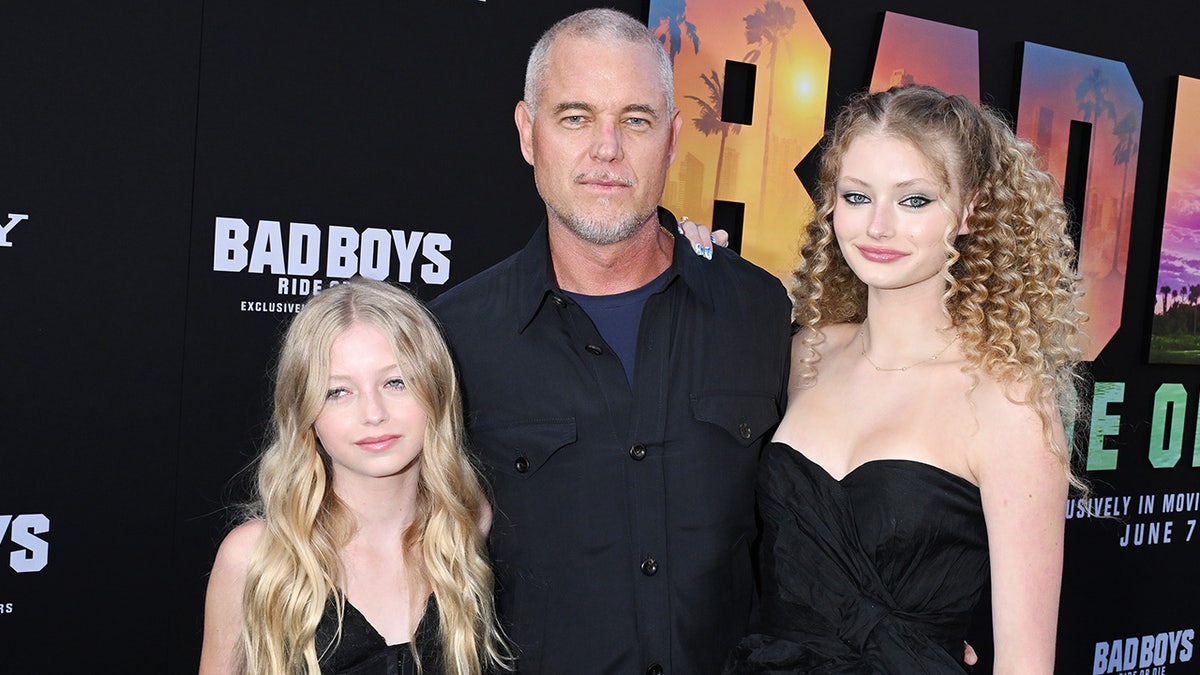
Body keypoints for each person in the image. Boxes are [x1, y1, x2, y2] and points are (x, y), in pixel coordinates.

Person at [428, 8, 793, 675]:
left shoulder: (760, 312)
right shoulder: (452, 337)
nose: (607, 148)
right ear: (527, 133)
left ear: (674, 138)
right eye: (574, 117)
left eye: (636, 119)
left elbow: (812, 531)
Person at [723, 84, 1086, 673]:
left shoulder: (1008, 398)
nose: (878, 226)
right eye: (856, 196)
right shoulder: (801, 356)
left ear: (972, 209)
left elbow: (1025, 662)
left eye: (914, 200)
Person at [198, 279, 509, 675]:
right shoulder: (256, 557)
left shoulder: (470, 529)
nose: (373, 412)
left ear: (436, 391)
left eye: (396, 382)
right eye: (338, 392)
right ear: (305, 414)